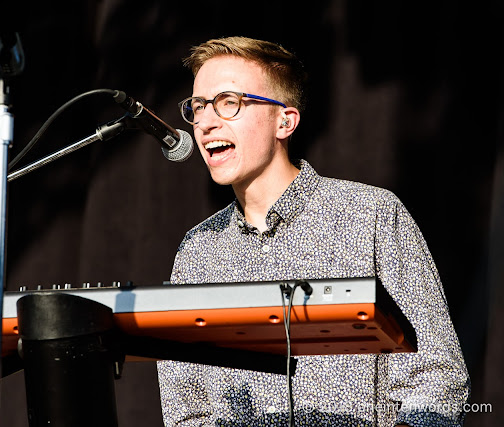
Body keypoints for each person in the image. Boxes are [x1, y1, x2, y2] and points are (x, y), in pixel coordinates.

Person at [156, 36, 470, 426]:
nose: (205, 121)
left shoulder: (371, 216)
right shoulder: (197, 251)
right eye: (198, 106)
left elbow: (436, 379)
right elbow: (186, 408)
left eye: (228, 102)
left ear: (284, 122)